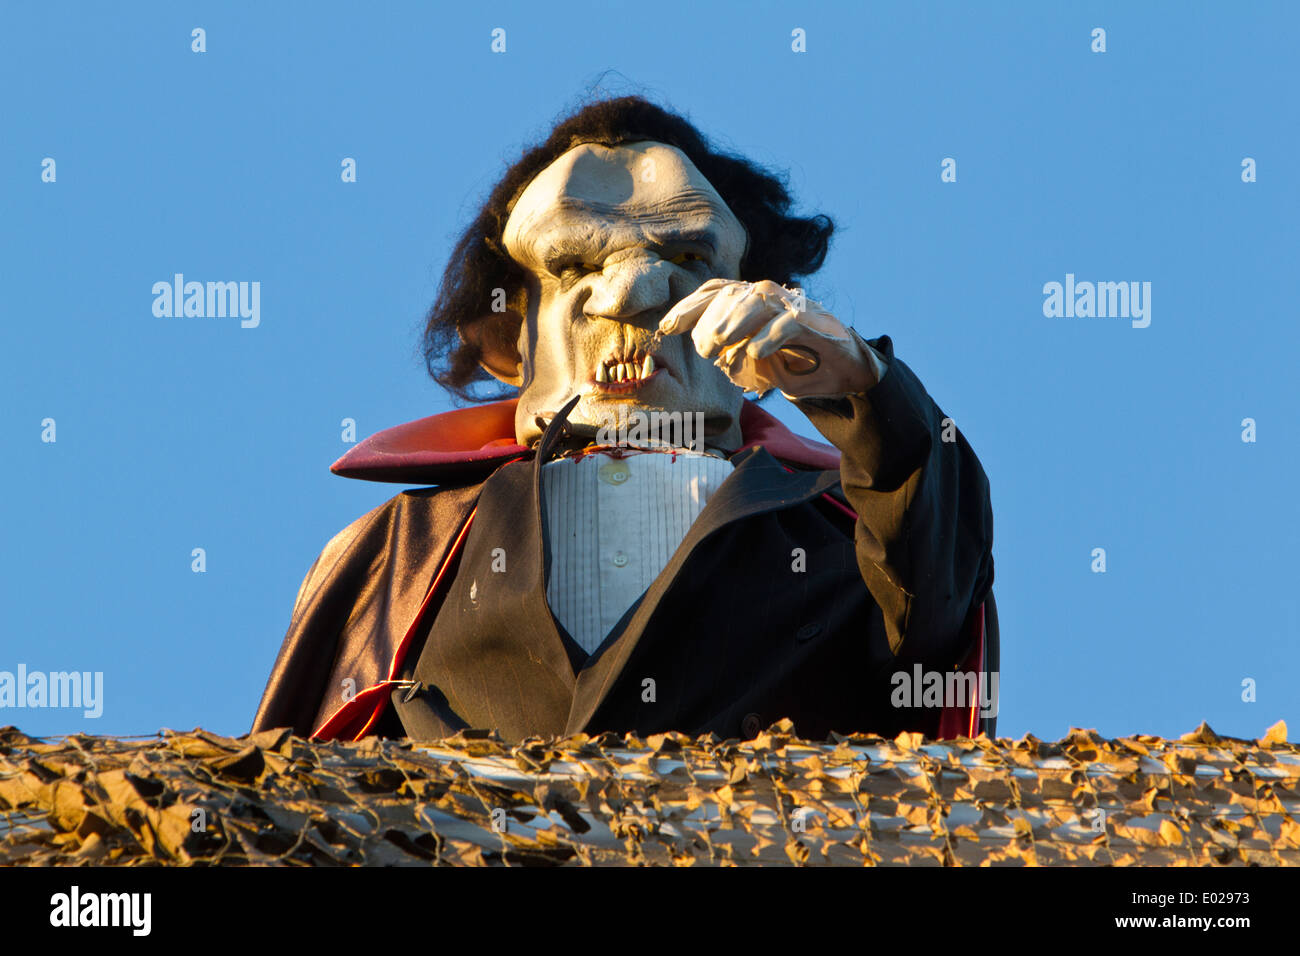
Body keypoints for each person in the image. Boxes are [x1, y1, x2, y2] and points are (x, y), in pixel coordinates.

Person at [252, 96, 997, 744]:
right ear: (511, 336)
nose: (634, 294)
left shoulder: (846, 532)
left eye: (687, 254)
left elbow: (938, 604)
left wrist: (861, 385)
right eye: (573, 266)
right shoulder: (396, 554)